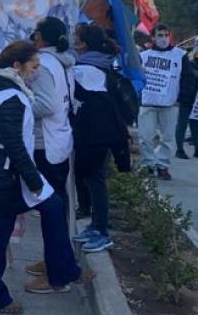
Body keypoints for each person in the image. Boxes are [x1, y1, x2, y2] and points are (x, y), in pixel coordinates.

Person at [0, 41, 88, 313]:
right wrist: (35, 183)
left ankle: (62, 271)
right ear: (17, 66)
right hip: (1, 178)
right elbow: (14, 146)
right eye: (34, 67)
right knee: (1, 235)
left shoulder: (8, 92)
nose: (37, 72)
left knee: (52, 207)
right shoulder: (10, 99)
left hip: (5, 175)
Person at [67, 25, 129, 253]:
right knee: (92, 178)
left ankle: (102, 232)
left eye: (75, 37)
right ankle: (95, 225)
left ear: (83, 44)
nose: (72, 40)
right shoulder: (100, 63)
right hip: (99, 133)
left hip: (95, 134)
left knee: (96, 180)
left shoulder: (85, 69)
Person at [22, 17, 76, 277]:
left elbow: (45, 105)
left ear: (40, 37)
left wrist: (18, 109)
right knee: (55, 210)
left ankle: (57, 273)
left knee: (50, 211)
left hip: (45, 143)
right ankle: (54, 260)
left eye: (34, 33)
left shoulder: (42, 65)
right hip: (59, 139)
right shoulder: (63, 61)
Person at [138, 24, 187, 180]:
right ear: (152, 37)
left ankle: (162, 166)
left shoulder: (180, 55)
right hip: (147, 103)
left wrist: (182, 98)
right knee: (145, 137)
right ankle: (148, 165)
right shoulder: (143, 56)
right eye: (160, 35)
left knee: (167, 138)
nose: (164, 38)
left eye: (166, 35)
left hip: (169, 104)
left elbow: (186, 78)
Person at [176, 34, 198, 159]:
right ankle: (179, 150)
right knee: (182, 123)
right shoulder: (187, 59)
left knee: (195, 123)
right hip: (187, 95)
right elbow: (193, 73)